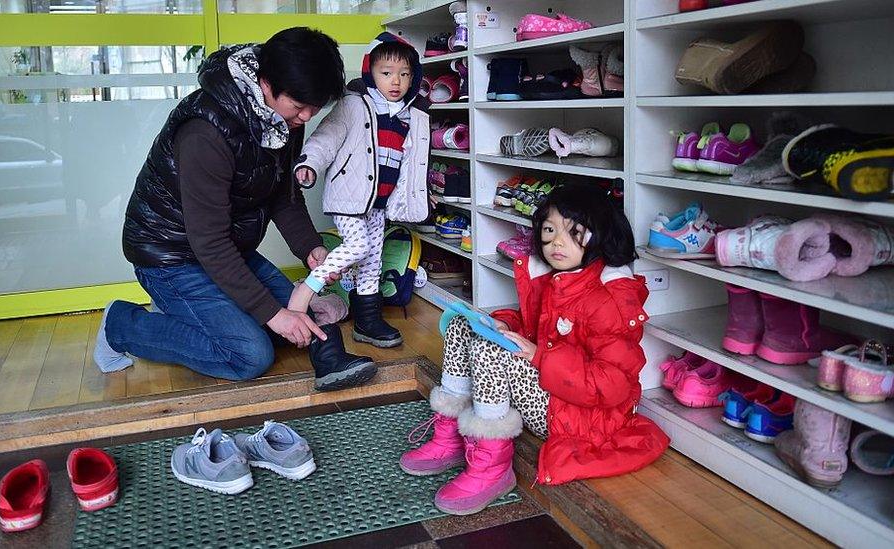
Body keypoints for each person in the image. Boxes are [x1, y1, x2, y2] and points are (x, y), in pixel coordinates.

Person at [94, 28, 378, 392]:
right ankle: (120, 325)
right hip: (169, 256)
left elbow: (283, 193)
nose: (306, 117)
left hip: (227, 249)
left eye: (315, 107)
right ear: (265, 81)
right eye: (299, 105)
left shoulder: (284, 117)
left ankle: (200, 313)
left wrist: (311, 248)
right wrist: (273, 314)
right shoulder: (205, 133)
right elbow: (208, 243)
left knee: (297, 320)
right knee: (248, 354)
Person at [400, 183, 670, 515]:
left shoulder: (608, 299)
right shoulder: (557, 278)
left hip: (580, 418)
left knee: (489, 352)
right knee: (462, 325)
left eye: (574, 232)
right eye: (549, 229)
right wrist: (503, 324)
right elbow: (534, 330)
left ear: (599, 234)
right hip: (551, 390)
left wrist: (539, 356)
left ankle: (492, 466)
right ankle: (448, 434)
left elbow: (611, 386)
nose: (557, 241)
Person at [289, 32, 430, 348]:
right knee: (359, 245)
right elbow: (326, 137)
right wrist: (310, 163)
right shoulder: (354, 104)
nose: (395, 82)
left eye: (404, 75)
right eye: (386, 73)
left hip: (379, 201)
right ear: (370, 72)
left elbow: (414, 163)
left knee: (372, 260)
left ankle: (367, 321)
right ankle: (307, 288)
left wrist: (418, 192)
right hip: (349, 197)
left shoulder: (412, 115)